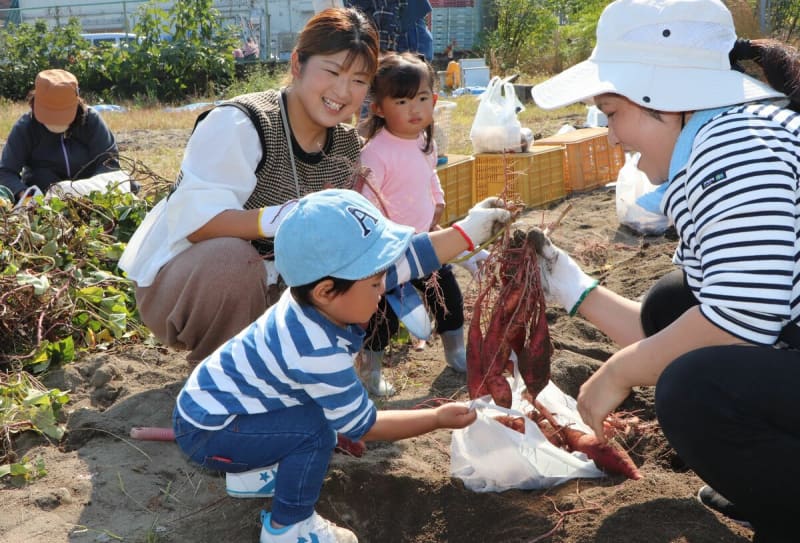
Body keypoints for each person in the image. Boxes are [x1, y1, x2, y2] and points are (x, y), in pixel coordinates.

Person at [530, 0, 800, 541]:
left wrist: (614, 375)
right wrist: (572, 288)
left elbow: (741, 317)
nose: (611, 136)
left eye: (612, 113)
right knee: (673, 302)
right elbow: (681, 324)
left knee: (694, 391)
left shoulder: (739, 151)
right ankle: (772, 479)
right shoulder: (720, 138)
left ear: (664, 100)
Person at [172, 188, 510, 543]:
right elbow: (362, 424)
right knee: (315, 431)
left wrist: (469, 231)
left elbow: (416, 256)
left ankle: (262, 467)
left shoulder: (326, 288)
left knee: (314, 421)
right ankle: (289, 528)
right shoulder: (315, 349)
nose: (384, 288)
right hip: (211, 431)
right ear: (326, 291)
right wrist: (436, 419)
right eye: (377, 283)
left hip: (230, 404)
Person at [118, 8, 380, 365]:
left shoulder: (348, 148)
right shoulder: (244, 123)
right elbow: (196, 224)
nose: (342, 91)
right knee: (233, 259)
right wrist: (275, 219)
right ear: (297, 65)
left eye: (359, 80)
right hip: (185, 280)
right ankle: (220, 381)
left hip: (273, 285)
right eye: (332, 71)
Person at [356, 52, 475, 395]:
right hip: (388, 253)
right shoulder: (376, 153)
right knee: (384, 316)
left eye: (422, 98)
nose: (415, 109)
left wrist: (437, 201)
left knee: (448, 297)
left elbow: (428, 178)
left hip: (424, 245)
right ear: (378, 108)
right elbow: (366, 205)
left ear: (434, 101)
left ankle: (456, 353)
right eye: (402, 100)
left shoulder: (425, 142)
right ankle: (370, 371)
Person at [0, 69, 122, 207]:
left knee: (128, 184)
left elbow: (109, 162)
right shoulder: (26, 127)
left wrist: (89, 191)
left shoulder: (91, 121)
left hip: (90, 196)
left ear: (76, 104)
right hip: (45, 200)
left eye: (62, 115)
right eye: (50, 115)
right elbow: (6, 172)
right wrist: (26, 195)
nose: (56, 122)